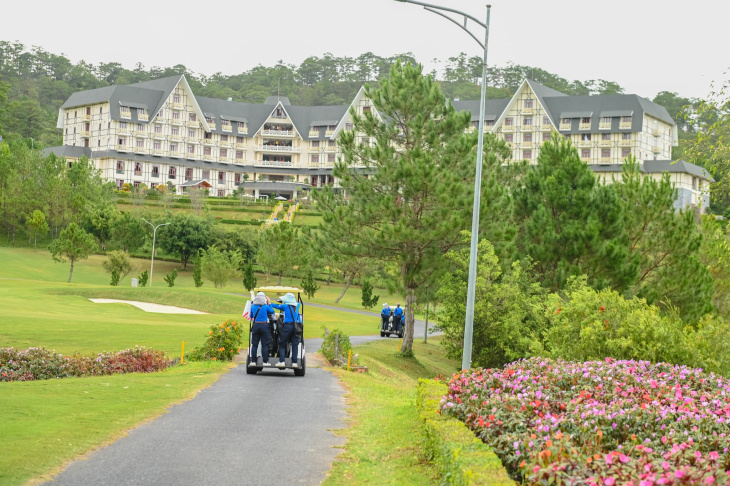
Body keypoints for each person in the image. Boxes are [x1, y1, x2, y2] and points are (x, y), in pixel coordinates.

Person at [271, 293, 302, 368]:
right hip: (296, 327)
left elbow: (275, 306)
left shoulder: (285, 306)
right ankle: (294, 363)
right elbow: (298, 302)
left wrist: (269, 302)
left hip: (288, 326)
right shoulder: (297, 305)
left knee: (282, 343)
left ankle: (282, 361)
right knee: (294, 345)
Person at [248, 291, 275, 367]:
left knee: (254, 344)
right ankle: (265, 362)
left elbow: (251, 316)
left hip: (256, 325)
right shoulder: (265, 306)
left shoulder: (253, 306)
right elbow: (272, 311)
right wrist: (269, 303)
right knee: (265, 344)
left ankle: (253, 361)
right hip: (264, 325)